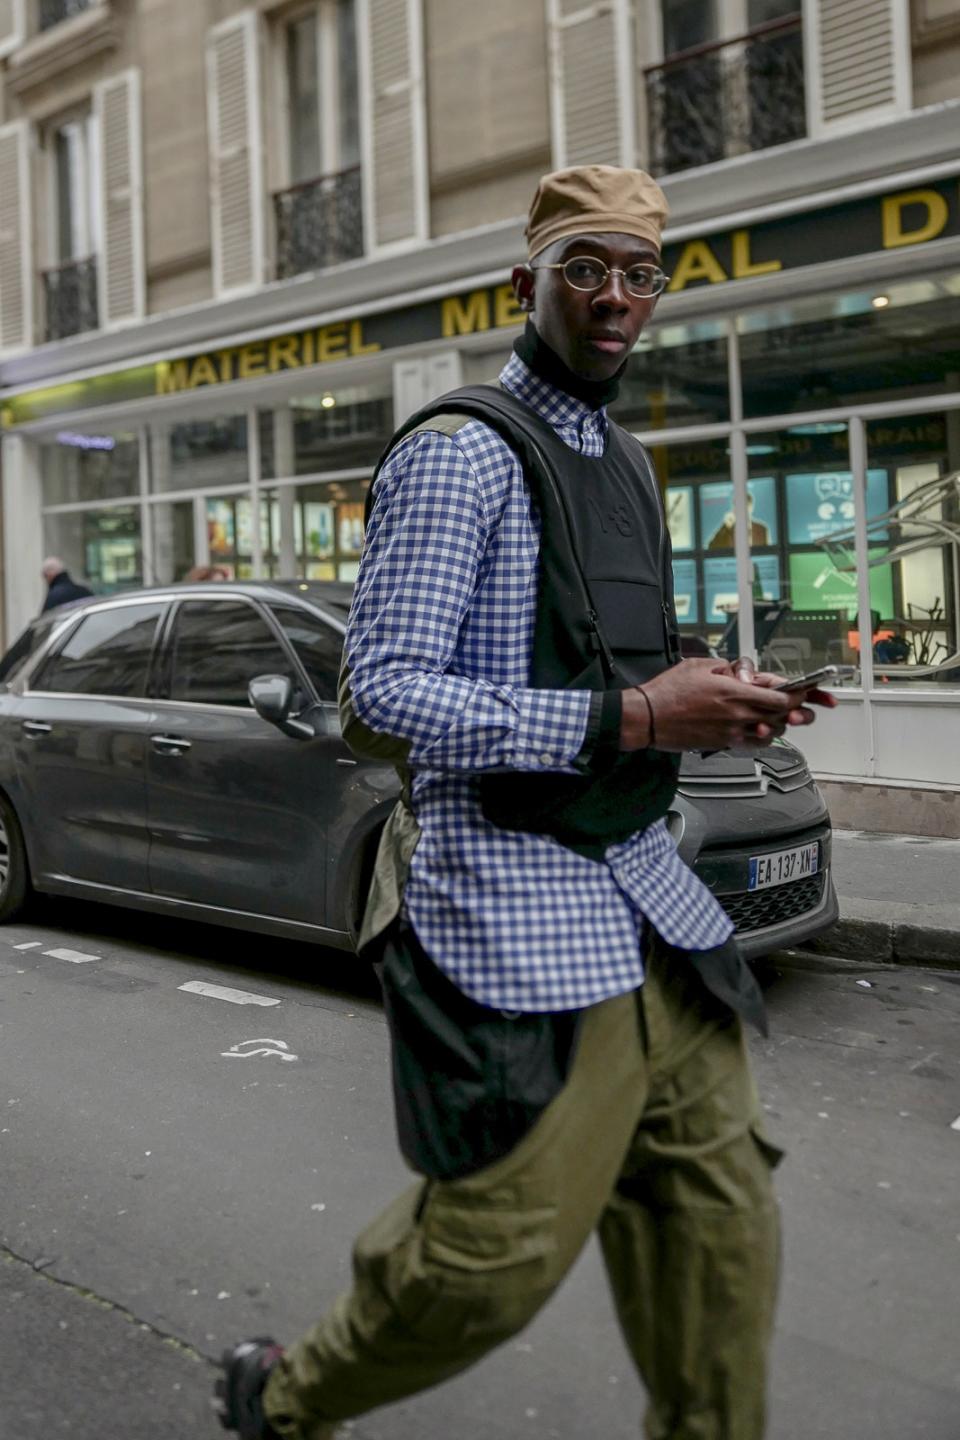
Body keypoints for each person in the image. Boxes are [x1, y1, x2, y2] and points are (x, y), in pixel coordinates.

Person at [215, 166, 835, 1440]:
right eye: (587, 270)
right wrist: (639, 718)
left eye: (640, 273)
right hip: (512, 907)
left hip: (655, 900)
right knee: (488, 1261)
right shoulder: (459, 456)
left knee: (724, 1243)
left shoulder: (633, 464)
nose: (617, 298)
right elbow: (377, 699)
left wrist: (722, 694)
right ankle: (285, 1400)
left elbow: (620, 669)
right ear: (528, 284)